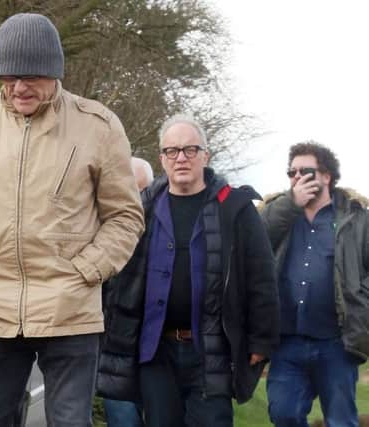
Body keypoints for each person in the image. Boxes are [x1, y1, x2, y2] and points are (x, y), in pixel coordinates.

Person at [0, 13, 144, 427]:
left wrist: (86, 271)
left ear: (55, 72)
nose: (19, 87)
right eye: (8, 77)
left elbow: (125, 215)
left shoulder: (98, 126)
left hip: (70, 312)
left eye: (31, 76)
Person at [97, 114, 280, 427]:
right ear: (162, 159)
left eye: (190, 150)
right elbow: (116, 278)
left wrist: (261, 340)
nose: (181, 158)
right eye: (172, 151)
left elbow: (261, 278)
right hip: (155, 351)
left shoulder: (235, 209)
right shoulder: (141, 210)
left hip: (212, 351)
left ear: (205, 155)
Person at [261, 141, 369, 427]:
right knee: (283, 414)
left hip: (336, 343)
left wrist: (362, 305)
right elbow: (255, 241)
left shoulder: (355, 218)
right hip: (287, 342)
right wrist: (289, 205)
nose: (297, 177)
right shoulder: (279, 213)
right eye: (292, 172)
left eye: (305, 171)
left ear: (326, 176)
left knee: (341, 421)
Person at [102, 156, 153, 427]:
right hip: (117, 349)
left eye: (141, 191)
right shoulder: (102, 231)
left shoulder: (165, 234)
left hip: (157, 349)